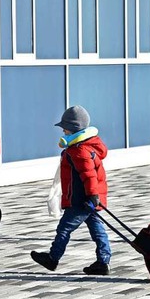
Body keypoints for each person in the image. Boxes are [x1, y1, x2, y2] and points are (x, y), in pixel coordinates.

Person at [30, 105, 112, 276]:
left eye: (65, 129)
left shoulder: (79, 150)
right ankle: (103, 262)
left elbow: (89, 176)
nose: (63, 132)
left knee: (64, 229)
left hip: (81, 200)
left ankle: (53, 258)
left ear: (73, 129)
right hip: (89, 200)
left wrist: (92, 195)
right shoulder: (87, 146)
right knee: (98, 230)